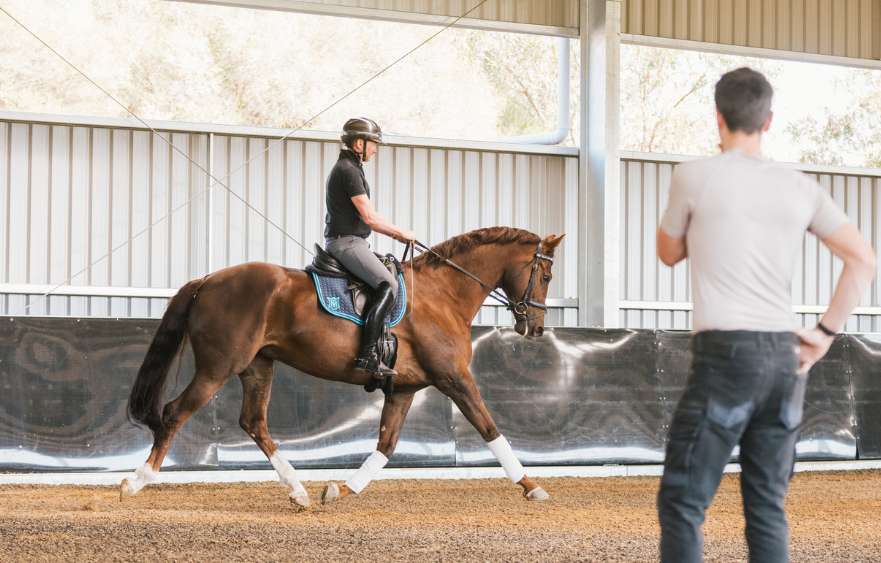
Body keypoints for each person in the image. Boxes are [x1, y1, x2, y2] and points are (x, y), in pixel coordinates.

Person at [655, 67, 876, 563]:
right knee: (766, 507)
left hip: (725, 356)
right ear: (768, 120)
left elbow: (668, 253)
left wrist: (705, 229)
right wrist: (824, 332)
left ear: (718, 116)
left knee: (683, 502)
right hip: (784, 357)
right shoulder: (799, 186)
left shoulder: (693, 175)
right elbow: (863, 259)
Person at [324, 117, 417, 379]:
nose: (375, 150)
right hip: (347, 242)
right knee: (389, 284)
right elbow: (370, 218)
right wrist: (401, 233)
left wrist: (397, 234)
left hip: (354, 241)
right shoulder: (348, 170)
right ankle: (367, 354)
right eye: (374, 144)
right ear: (359, 143)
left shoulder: (351, 167)